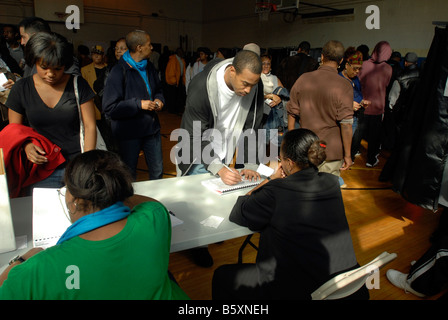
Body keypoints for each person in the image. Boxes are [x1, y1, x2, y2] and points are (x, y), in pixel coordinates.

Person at [0, 150, 189, 300]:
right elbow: (152, 204)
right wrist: (116, 193)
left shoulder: (40, 269)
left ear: (75, 201)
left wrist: (19, 262)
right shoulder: (154, 219)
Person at [212, 128, 368, 300]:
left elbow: (239, 210)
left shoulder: (276, 191)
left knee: (221, 275)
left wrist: (271, 179)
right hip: (341, 283)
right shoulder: (332, 183)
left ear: (289, 162)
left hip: (293, 289)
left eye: (281, 158)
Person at [175, 49, 264, 267]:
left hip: (223, 147)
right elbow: (195, 135)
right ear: (232, 70)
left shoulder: (253, 83)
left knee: (217, 198)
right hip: (195, 150)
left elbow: (253, 123)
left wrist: (250, 163)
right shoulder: (200, 87)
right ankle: (198, 244)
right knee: (197, 201)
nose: (249, 89)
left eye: (253, 84)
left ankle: (209, 232)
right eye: (245, 83)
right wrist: (217, 167)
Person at [5, 32, 96, 189]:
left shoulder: (77, 84)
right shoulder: (21, 88)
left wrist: (86, 163)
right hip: (42, 167)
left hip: (76, 164)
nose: (51, 74)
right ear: (34, 61)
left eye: (57, 68)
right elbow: (16, 131)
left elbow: (90, 126)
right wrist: (27, 146)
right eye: (44, 67)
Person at [287, 40, 354, 181]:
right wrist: (347, 155)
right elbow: (347, 124)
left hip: (306, 148)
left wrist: (292, 143)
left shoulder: (303, 79)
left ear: (322, 57)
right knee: (326, 196)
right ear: (341, 61)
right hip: (331, 151)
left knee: (304, 190)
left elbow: (292, 112)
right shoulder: (345, 85)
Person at [102, 30, 164, 181]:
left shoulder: (149, 67)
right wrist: (138, 104)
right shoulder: (118, 71)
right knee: (129, 174)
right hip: (129, 133)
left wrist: (159, 99)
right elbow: (110, 108)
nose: (152, 47)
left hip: (151, 130)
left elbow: (159, 90)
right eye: (149, 44)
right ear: (139, 47)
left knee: (157, 172)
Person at [357, 41, 392, 167]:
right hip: (378, 107)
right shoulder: (388, 68)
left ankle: (352, 153)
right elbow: (386, 84)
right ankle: (371, 160)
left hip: (363, 104)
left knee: (358, 132)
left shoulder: (364, 64)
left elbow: (358, 81)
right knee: (374, 135)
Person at [338, 47, 371, 161]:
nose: (357, 72)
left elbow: (357, 94)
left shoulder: (355, 79)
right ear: (347, 65)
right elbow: (333, 101)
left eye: (359, 69)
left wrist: (362, 101)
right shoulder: (338, 79)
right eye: (355, 68)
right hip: (342, 121)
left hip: (354, 118)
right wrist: (349, 104)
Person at [260, 53, 288, 143]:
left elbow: (283, 94)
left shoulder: (275, 78)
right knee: (262, 142)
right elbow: (254, 95)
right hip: (262, 115)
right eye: (263, 63)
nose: (266, 66)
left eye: (268, 64)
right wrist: (270, 96)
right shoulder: (256, 78)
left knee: (273, 144)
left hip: (274, 115)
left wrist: (279, 98)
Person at [81, 45, 107, 120]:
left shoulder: (109, 68)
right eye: (94, 54)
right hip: (92, 104)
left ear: (103, 56)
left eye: (98, 54)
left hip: (106, 102)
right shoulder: (84, 70)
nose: (96, 56)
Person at [165, 47, 186, 114]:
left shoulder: (181, 59)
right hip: (174, 81)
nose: (182, 53)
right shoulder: (173, 59)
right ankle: (172, 110)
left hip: (179, 80)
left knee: (178, 96)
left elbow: (183, 71)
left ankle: (177, 109)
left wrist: (183, 81)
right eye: (180, 51)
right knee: (173, 96)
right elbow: (171, 71)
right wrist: (173, 81)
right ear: (178, 52)